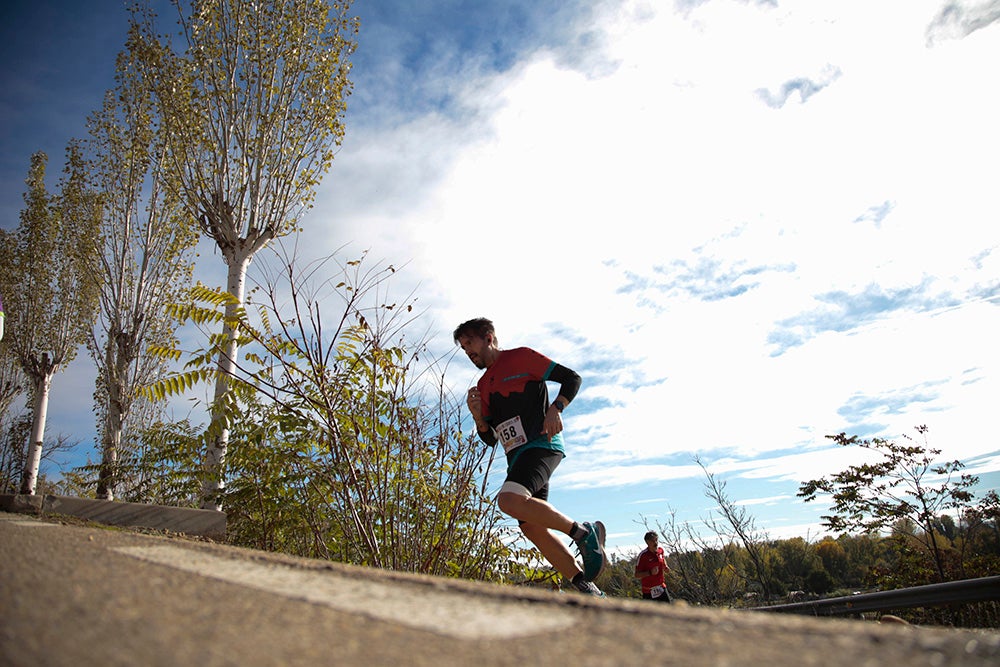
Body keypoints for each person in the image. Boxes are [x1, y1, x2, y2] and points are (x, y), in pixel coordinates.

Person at [454, 317, 608, 597]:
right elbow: (490, 438)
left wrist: (556, 408)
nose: (468, 352)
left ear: (489, 337)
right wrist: (478, 416)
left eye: (470, 343)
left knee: (508, 500)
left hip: (542, 444)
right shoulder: (483, 384)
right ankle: (586, 587)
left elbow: (572, 378)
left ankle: (585, 534)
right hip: (518, 458)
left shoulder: (522, 357)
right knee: (532, 527)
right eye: (463, 348)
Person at [634, 531, 672, 602]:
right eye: (653, 541)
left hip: (661, 588)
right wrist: (650, 573)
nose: (656, 543)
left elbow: (663, 559)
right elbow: (636, 575)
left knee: (669, 611)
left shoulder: (660, 551)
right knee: (651, 613)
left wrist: (665, 566)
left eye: (656, 540)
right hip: (649, 591)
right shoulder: (643, 556)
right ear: (647, 542)